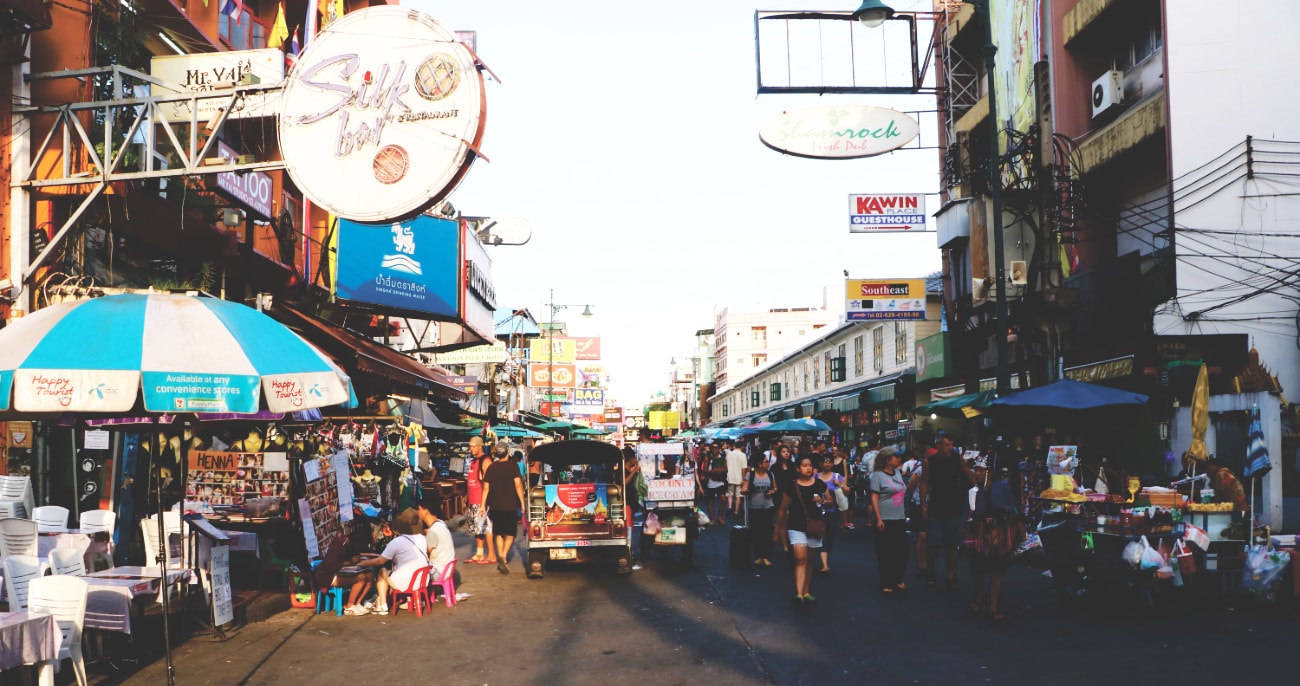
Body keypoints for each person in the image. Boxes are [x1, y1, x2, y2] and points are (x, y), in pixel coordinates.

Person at [921, 436, 977, 591]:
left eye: (952, 444)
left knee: (953, 545)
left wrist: (976, 485)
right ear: (938, 446)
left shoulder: (957, 459)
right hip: (936, 507)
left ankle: (951, 576)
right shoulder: (929, 462)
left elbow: (968, 474)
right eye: (947, 445)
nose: (950, 448)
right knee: (934, 544)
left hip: (955, 507)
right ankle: (931, 570)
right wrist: (923, 504)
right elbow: (924, 482)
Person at [969, 461, 1019, 621]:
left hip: (998, 532)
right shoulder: (976, 489)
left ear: (989, 472)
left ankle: (993, 606)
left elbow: (1013, 507)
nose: (977, 473)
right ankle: (980, 595)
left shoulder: (1001, 487)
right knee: (977, 568)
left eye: (980, 470)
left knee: (996, 569)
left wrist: (1005, 512)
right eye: (976, 470)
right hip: (981, 532)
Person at [356, 509, 429, 615]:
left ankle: (382, 605)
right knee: (393, 571)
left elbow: (380, 561)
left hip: (406, 582)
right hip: (423, 580)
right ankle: (407, 600)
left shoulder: (397, 542)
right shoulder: (422, 539)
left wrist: (361, 563)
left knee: (382, 571)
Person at [775, 455, 826, 606]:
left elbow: (830, 502)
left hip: (814, 526)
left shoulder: (819, 484)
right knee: (800, 558)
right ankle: (799, 594)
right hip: (796, 526)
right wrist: (777, 530)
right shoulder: (792, 486)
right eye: (804, 465)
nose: (808, 468)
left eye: (810, 465)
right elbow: (782, 509)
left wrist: (823, 500)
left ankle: (806, 591)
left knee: (809, 560)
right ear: (798, 468)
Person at [482, 441, 527, 575]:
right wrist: (522, 503)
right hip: (510, 505)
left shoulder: (491, 468)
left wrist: (482, 505)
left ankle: (501, 556)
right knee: (510, 533)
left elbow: (486, 488)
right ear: (507, 452)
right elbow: (518, 485)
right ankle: (503, 556)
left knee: (499, 533)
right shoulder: (513, 466)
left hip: (495, 506)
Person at [870, 447, 909, 594]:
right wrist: (878, 518)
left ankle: (896, 578)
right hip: (885, 519)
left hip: (899, 517)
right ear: (887, 460)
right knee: (885, 552)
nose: (899, 459)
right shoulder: (877, 476)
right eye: (895, 457)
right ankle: (886, 582)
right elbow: (874, 498)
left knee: (902, 551)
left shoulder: (897, 473)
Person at [312, 538, 375, 616]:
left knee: (370, 576)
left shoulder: (349, 547)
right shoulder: (337, 545)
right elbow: (330, 565)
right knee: (361, 578)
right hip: (327, 577)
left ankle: (357, 603)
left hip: (339, 573)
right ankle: (349, 606)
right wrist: (349, 562)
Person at [742, 455, 778, 567]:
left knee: (767, 531)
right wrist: (746, 490)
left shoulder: (770, 474)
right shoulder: (751, 475)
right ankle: (758, 555)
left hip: (768, 507)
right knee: (756, 532)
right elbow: (744, 488)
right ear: (759, 464)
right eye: (766, 462)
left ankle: (765, 556)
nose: (768, 463)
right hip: (754, 508)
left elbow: (775, 488)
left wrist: (772, 492)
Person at [465, 436, 495, 564]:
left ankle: (491, 554)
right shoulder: (474, 461)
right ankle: (479, 553)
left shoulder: (486, 460)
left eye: (473, 446)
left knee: (487, 527)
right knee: (477, 528)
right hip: (472, 499)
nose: (471, 449)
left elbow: (489, 483)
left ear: (480, 447)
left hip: (482, 500)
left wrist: (483, 504)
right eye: (470, 446)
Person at [814, 454, 847, 574]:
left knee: (830, 537)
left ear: (833, 464)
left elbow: (847, 491)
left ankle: (825, 558)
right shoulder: (815, 477)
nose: (827, 463)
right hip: (818, 512)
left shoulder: (837, 476)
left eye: (829, 461)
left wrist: (840, 485)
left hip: (833, 511)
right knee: (822, 536)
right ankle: (824, 564)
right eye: (825, 461)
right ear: (820, 464)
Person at [417, 492, 457, 587]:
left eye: (419, 509)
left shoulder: (433, 531)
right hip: (447, 569)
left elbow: (425, 553)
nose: (417, 512)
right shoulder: (440, 524)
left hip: (439, 572)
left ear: (426, 511)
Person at [724, 439, 748, 520]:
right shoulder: (743, 455)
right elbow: (744, 468)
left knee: (730, 494)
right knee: (738, 496)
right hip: (739, 478)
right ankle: (736, 511)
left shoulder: (729, 454)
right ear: (742, 446)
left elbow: (726, 465)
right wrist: (743, 478)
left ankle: (730, 507)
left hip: (730, 476)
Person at [832, 447, 854, 530]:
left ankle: (845, 522)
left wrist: (844, 485)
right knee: (834, 504)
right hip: (832, 484)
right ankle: (835, 523)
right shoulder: (830, 461)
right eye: (832, 450)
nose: (834, 451)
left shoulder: (843, 460)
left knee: (843, 503)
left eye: (835, 450)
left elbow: (845, 474)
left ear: (838, 451)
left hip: (841, 484)